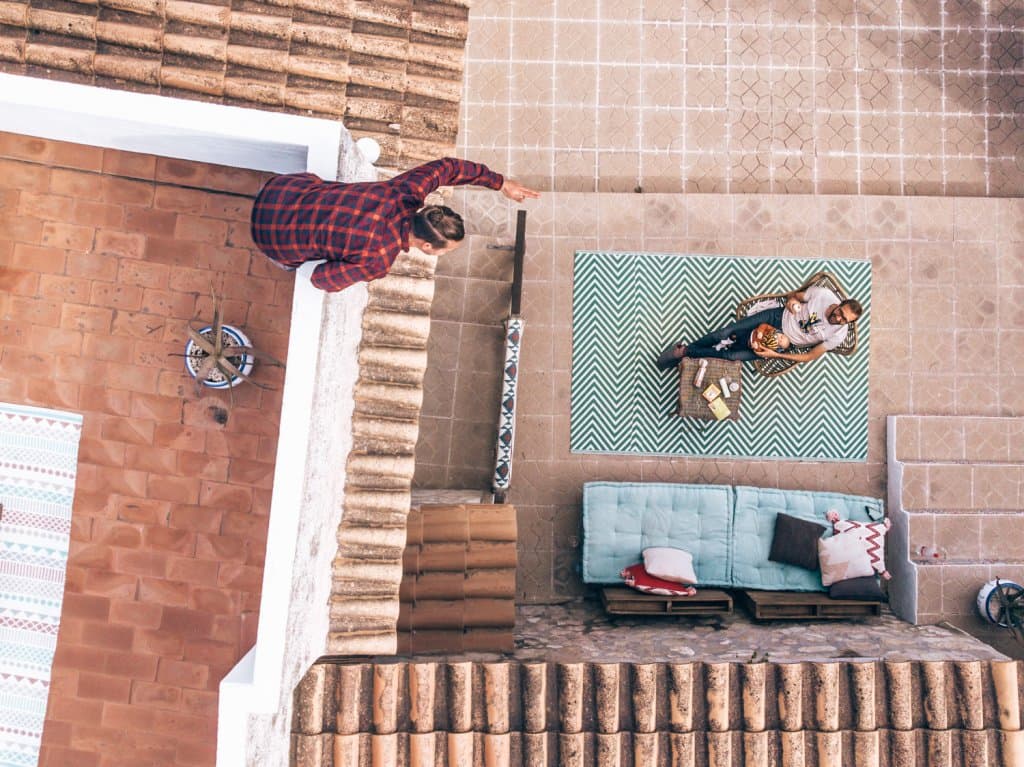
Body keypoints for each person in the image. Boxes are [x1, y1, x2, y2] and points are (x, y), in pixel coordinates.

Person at [250, 158, 540, 292]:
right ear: (427, 246)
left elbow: (448, 168)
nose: (444, 254)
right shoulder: (377, 261)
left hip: (281, 190)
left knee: (320, 186)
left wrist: (500, 183)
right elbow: (320, 279)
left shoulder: (404, 190)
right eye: (445, 250)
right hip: (269, 239)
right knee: (292, 263)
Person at [656, 284, 863, 369]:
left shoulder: (839, 334)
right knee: (724, 332)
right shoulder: (823, 295)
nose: (838, 319)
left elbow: (810, 356)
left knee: (732, 358)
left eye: (845, 320)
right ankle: (689, 353)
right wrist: (791, 302)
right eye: (840, 313)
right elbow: (795, 296)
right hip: (777, 316)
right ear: (839, 304)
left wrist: (778, 355)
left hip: (784, 342)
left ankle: (685, 352)